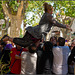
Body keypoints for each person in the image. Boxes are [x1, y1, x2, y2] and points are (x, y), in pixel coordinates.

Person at [2, 2, 72, 48]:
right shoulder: (48, 15)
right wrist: (65, 26)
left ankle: (9, 38)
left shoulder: (45, 15)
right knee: (25, 43)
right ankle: (9, 38)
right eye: (52, 10)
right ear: (49, 10)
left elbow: (53, 24)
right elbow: (56, 23)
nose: (53, 12)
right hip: (35, 33)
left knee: (24, 42)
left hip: (36, 33)